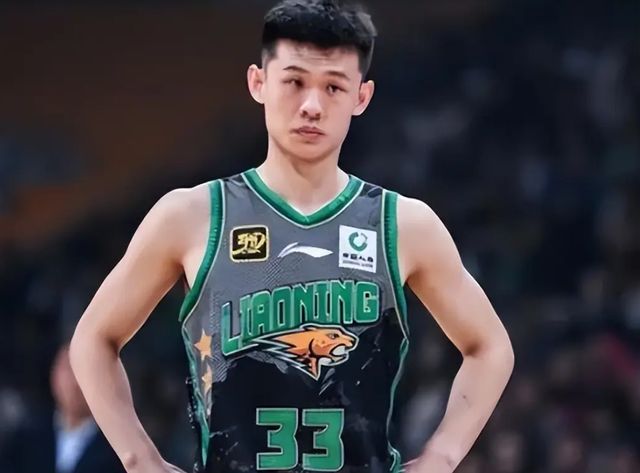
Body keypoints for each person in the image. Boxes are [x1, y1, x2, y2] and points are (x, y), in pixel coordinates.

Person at [69, 1, 514, 472]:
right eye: (295, 82)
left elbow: (491, 348)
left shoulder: (402, 223)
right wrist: (139, 459)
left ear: (361, 97)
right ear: (258, 83)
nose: (312, 106)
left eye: (333, 87)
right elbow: (93, 339)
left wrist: (442, 456)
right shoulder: (193, 215)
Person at [0, 344, 125, 473]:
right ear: (54, 374)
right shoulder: (25, 438)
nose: (75, 381)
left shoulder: (118, 449)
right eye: (69, 368)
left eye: (86, 370)